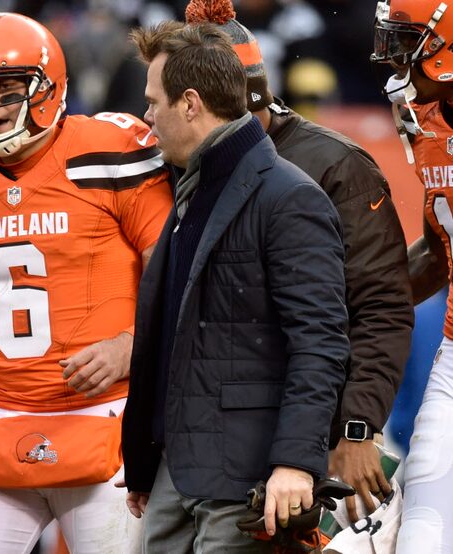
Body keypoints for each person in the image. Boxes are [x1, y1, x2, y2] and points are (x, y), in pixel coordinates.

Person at [0, 12, 172, 553]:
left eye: (6, 90)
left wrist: (131, 346)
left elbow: (175, 273)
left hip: (110, 420)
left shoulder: (113, 150)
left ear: (51, 85)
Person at [121, 21, 349, 552]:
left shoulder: (291, 197)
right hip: (174, 474)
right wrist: (143, 461)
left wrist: (294, 461)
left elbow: (320, 343)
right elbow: (175, 339)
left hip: (245, 480)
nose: (147, 115)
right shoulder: (190, 188)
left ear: (192, 103)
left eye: (154, 101)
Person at [185, 0, 413, 525]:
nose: (153, 116)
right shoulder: (173, 165)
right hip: (204, 433)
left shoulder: (333, 165)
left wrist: (356, 429)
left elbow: (377, 307)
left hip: (309, 430)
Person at [371, 1, 453, 551]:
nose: (396, 58)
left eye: (407, 42)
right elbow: (438, 249)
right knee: (422, 535)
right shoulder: (428, 125)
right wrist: (362, 302)